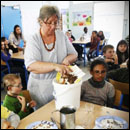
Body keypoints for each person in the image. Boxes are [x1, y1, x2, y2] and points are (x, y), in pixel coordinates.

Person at [24, 5, 78, 109]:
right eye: (49, 23)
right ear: (40, 21)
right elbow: (31, 66)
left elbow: (74, 54)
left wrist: (67, 60)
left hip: (59, 84)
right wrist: (55, 66)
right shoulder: (34, 39)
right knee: (43, 118)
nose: (53, 26)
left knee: (59, 112)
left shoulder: (61, 36)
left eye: (56, 22)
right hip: (40, 88)